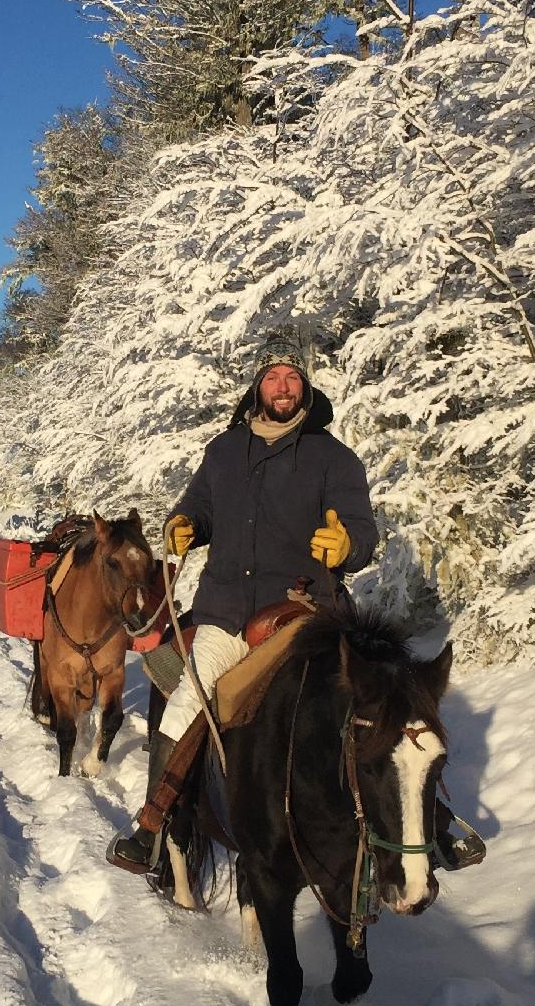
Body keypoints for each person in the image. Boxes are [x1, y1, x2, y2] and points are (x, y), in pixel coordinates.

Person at [107, 349, 378, 874]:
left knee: (371, 709)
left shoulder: (336, 459)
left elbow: (362, 529)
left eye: (292, 378)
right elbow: (198, 507)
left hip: (304, 613)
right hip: (228, 612)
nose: (283, 386)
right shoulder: (224, 451)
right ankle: (152, 827)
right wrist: (184, 524)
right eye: (273, 377)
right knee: (187, 704)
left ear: (306, 389)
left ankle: (424, 829)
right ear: (257, 388)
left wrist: (347, 545)